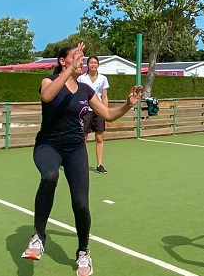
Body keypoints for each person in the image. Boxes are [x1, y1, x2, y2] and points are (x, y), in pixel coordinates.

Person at [21, 43, 143, 276]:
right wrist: (69, 71)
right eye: (75, 57)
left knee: (81, 204)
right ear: (62, 61)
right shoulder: (48, 81)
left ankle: (83, 252)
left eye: (82, 57)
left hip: (75, 149)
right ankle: (38, 236)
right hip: (48, 146)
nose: (81, 61)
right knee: (49, 176)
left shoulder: (86, 90)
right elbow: (47, 96)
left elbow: (108, 115)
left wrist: (128, 104)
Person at [77, 56, 111, 174]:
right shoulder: (81, 78)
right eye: (91, 63)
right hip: (85, 111)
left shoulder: (103, 79)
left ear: (98, 65)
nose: (93, 65)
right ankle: (81, 164)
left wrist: (107, 113)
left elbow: (105, 97)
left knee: (99, 138)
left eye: (95, 63)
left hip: (99, 111)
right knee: (84, 138)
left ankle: (99, 164)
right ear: (87, 65)